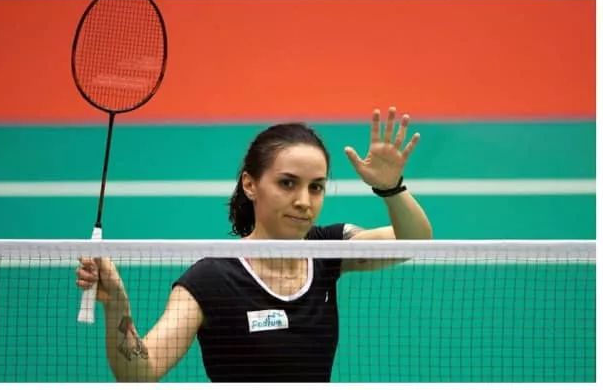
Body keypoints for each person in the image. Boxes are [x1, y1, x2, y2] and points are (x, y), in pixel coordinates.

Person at [75, 107, 433, 383]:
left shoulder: (327, 250)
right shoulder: (211, 279)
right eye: (287, 183)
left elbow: (414, 242)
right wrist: (118, 306)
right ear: (250, 185)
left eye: (316, 187)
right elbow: (140, 372)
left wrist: (391, 188)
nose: (304, 201)